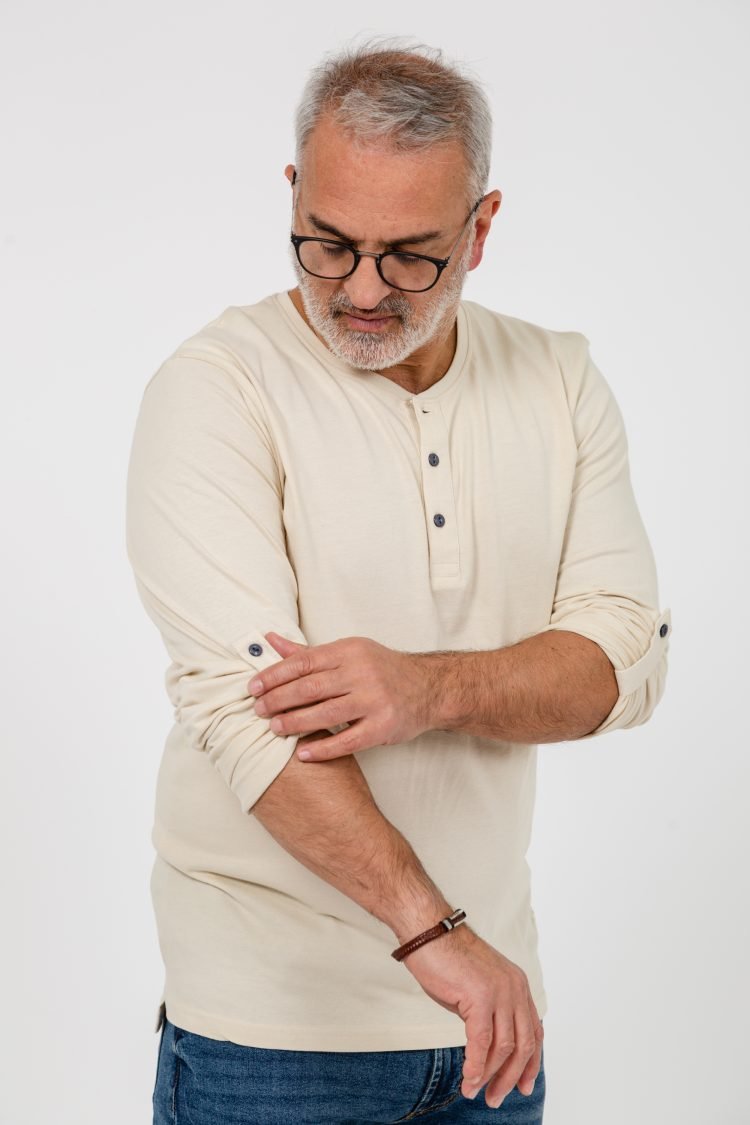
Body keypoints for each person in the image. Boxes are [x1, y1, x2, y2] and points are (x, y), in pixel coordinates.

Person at [126, 37, 672, 1125]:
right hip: (271, 1041)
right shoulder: (217, 388)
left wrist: (425, 687)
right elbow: (249, 716)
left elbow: (625, 666)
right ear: (293, 192)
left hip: (489, 1034)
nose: (363, 290)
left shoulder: (560, 380)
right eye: (327, 243)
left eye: (412, 254)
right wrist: (437, 935)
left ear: (482, 226)